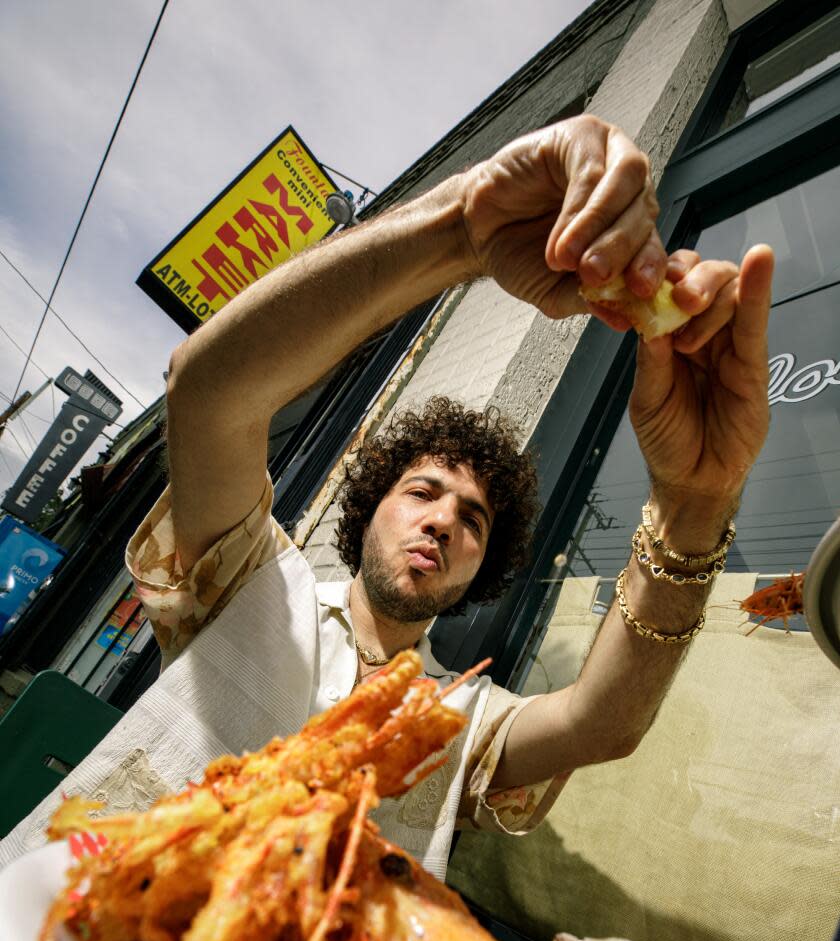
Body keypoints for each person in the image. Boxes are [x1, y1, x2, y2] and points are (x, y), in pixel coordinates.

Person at [0, 115, 774, 879]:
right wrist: (463, 229)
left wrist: (693, 504)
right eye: (423, 491)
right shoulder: (251, 586)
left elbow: (600, 722)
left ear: (486, 563)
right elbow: (208, 393)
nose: (443, 518)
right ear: (370, 507)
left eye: (473, 519)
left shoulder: (460, 720)